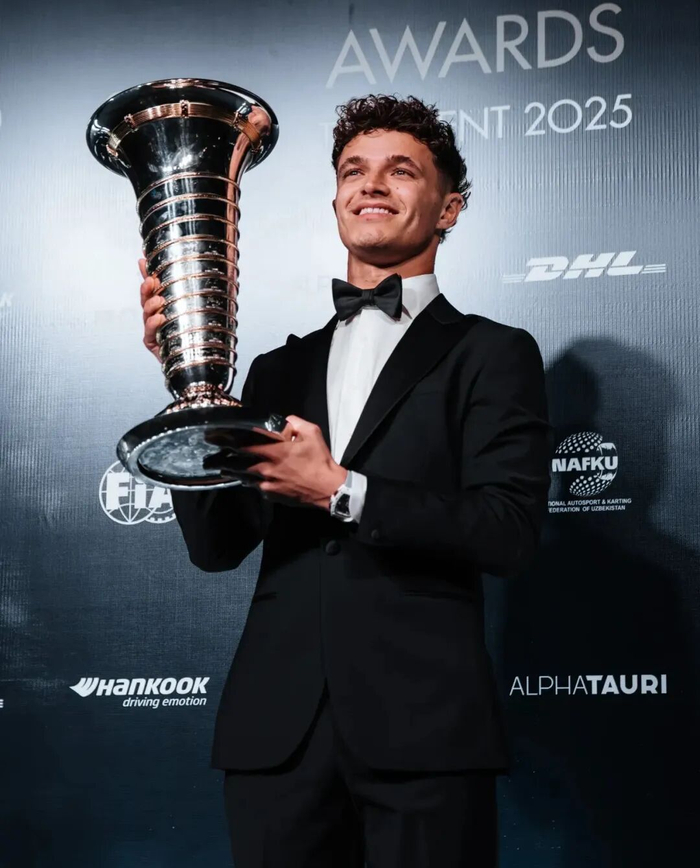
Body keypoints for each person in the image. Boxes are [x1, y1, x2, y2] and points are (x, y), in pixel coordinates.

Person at [138, 93, 551, 868]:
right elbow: (215, 546)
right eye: (353, 171)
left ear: (449, 208)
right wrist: (189, 383)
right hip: (276, 737)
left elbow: (507, 532)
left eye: (401, 171)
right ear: (335, 201)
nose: (372, 184)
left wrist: (339, 490)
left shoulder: (493, 354)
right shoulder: (274, 369)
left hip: (424, 734)